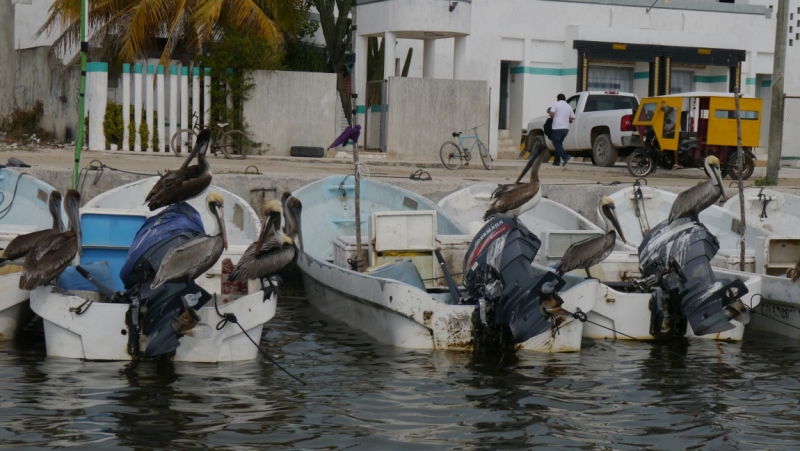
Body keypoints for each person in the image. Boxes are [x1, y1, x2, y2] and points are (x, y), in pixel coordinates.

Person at [549, 94, 575, 166]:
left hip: (557, 127)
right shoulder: (569, 106)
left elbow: (551, 113)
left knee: (555, 143)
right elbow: (573, 117)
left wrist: (552, 117)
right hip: (565, 129)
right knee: (559, 144)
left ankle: (565, 156)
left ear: (558, 99)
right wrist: (566, 119)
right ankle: (556, 162)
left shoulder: (556, 104)